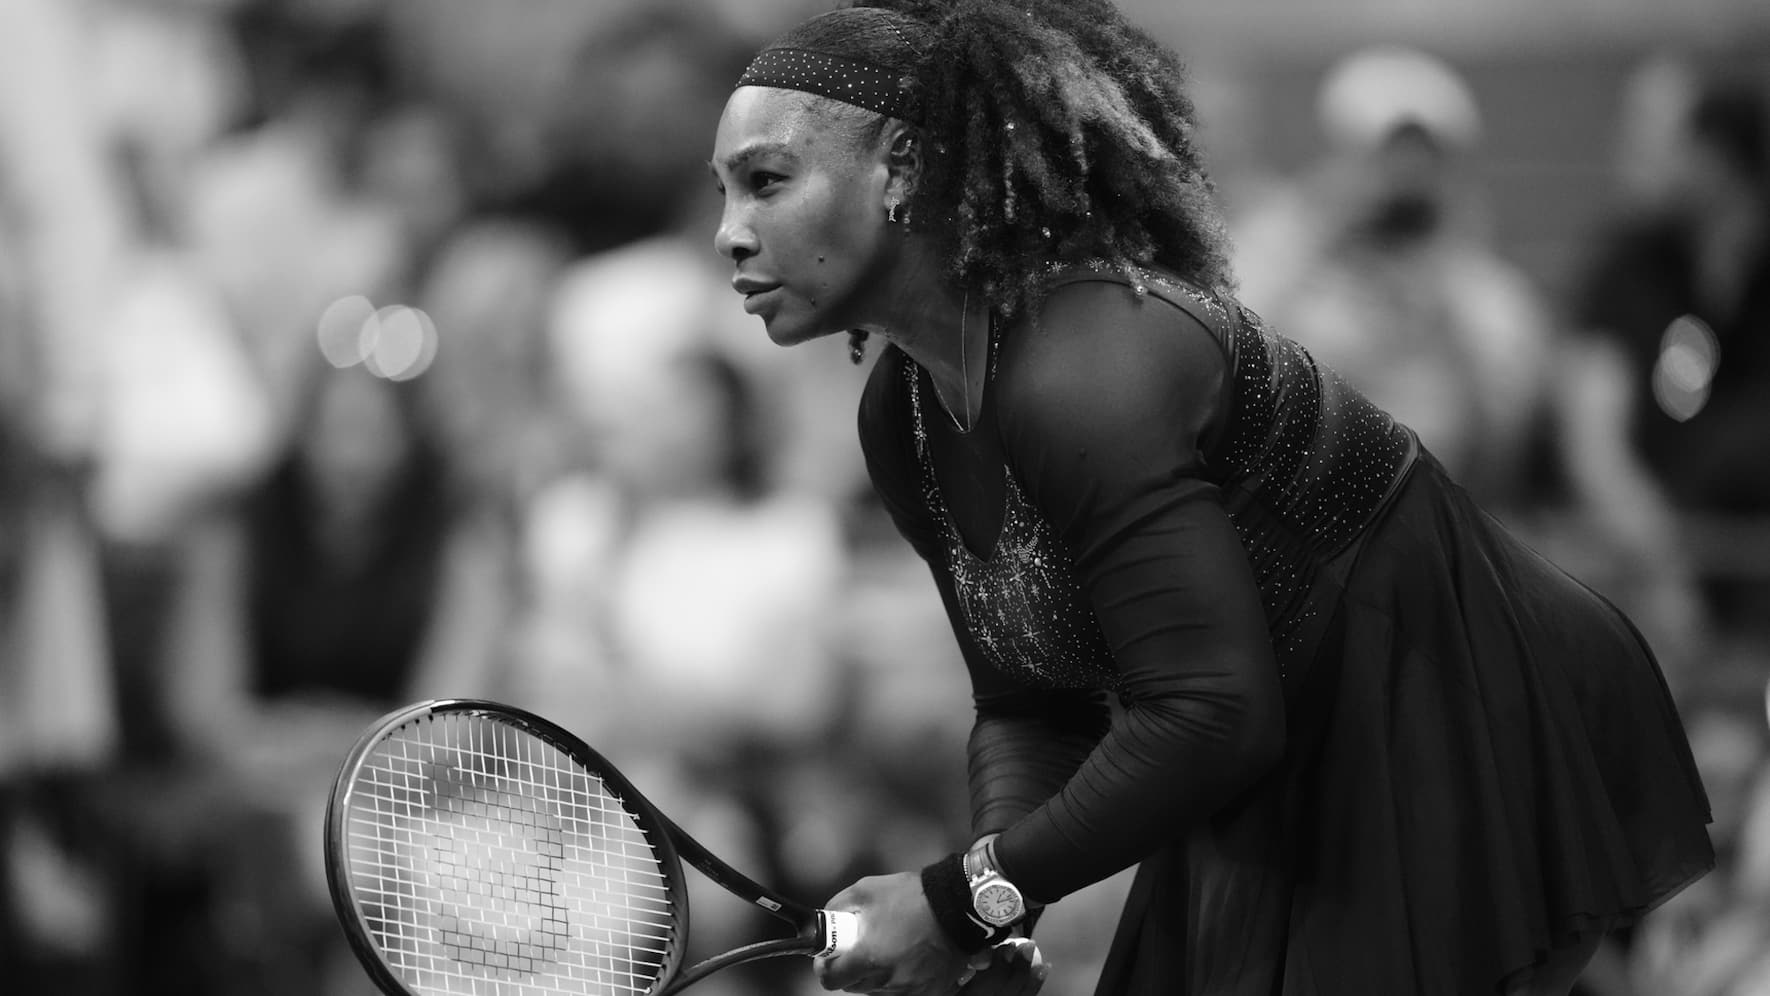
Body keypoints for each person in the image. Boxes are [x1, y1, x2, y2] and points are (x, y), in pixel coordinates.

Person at [705, 3, 1718, 995]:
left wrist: (964, 897)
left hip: (1459, 720)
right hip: (1267, 758)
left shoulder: (1089, 365)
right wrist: (995, 910)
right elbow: (1031, 705)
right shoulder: (904, 415)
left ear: (906, 167)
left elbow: (1216, 715)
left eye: (766, 182)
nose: (730, 234)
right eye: (724, 193)